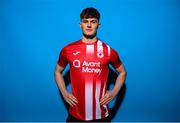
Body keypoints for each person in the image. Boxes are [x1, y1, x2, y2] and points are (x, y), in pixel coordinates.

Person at [54, 7, 126, 122]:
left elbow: (122, 72)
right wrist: (64, 93)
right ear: (80, 25)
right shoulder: (68, 49)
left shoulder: (108, 51)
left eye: (93, 21)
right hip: (75, 114)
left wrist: (114, 92)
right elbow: (57, 71)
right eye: (85, 21)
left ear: (99, 25)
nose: (89, 25)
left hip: (101, 115)